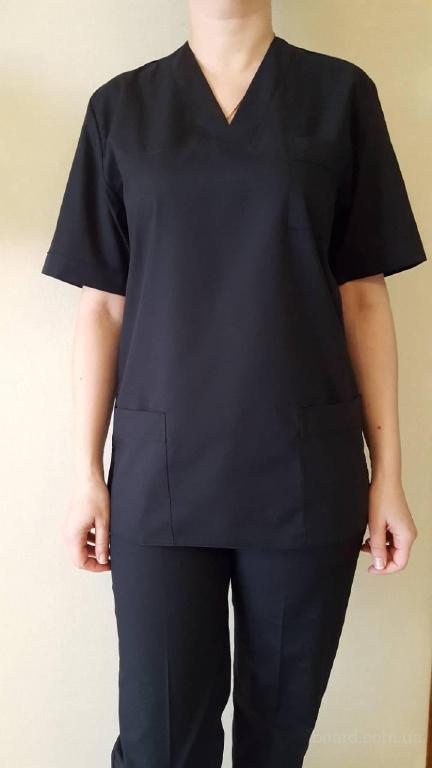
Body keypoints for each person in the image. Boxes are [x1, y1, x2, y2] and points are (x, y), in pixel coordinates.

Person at [41, 1, 427, 765]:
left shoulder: (340, 97)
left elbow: (362, 296)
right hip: (160, 473)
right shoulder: (121, 108)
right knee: (161, 741)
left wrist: (389, 475)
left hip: (304, 469)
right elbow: (104, 307)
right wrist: (86, 472)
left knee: (276, 740)